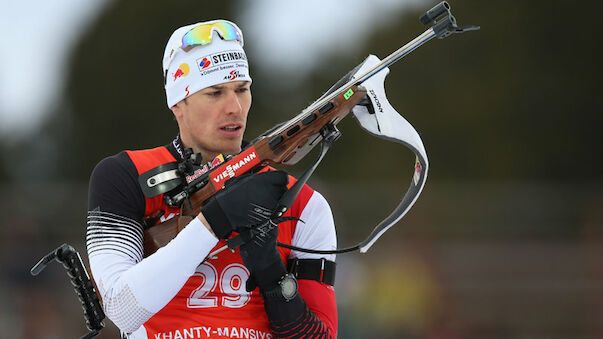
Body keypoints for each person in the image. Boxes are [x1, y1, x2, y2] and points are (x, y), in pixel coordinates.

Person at [86, 20, 340, 338]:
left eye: (242, 90)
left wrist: (272, 275)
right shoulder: (127, 176)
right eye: (215, 93)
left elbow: (321, 334)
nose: (234, 108)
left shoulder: (303, 203)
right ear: (178, 103)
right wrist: (214, 221)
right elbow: (121, 309)